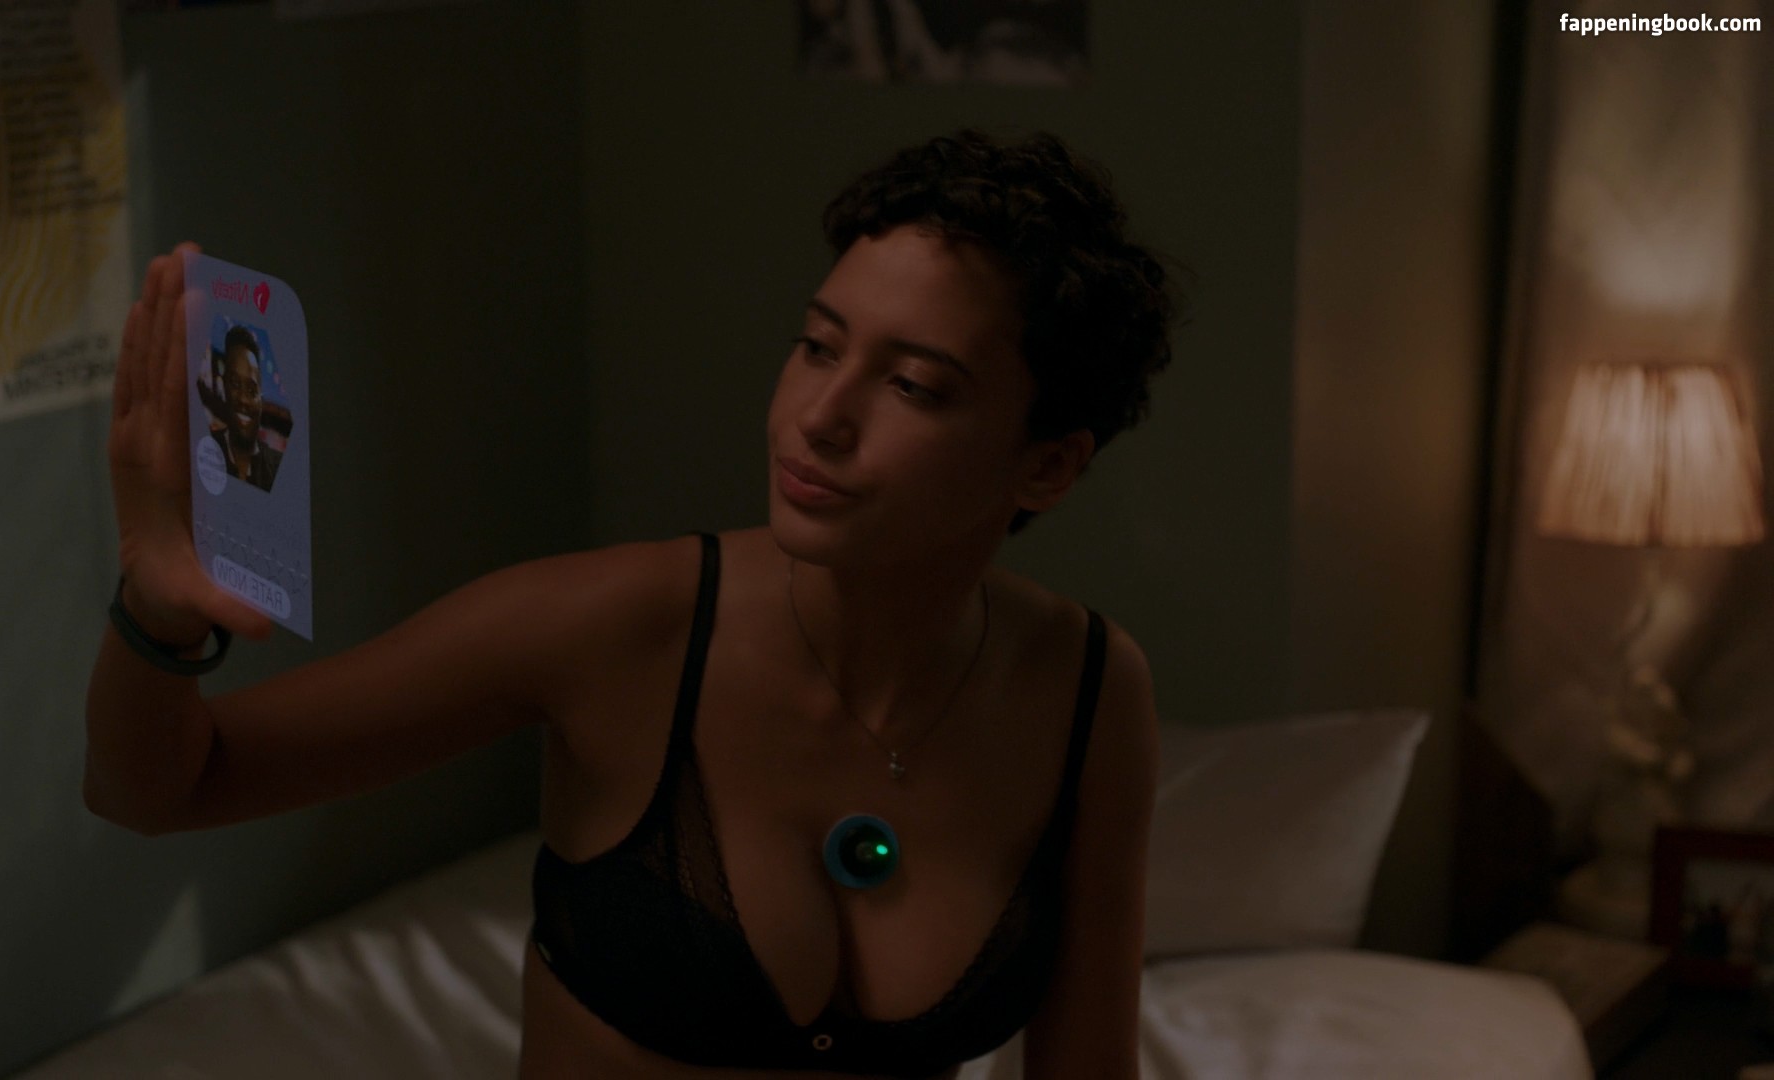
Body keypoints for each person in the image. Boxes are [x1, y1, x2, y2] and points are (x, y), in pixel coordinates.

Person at [86, 128, 1177, 1079]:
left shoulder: (1085, 687)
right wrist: (159, 610)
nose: (820, 416)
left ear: (1048, 465)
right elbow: (164, 786)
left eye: (913, 386)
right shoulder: (615, 628)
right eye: (817, 346)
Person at [205, 325, 280, 492]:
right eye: (235, 384)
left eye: (252, 391)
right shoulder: (207, 449)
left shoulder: (277, 466)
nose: (243, 399)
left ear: (261, 399)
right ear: (224, 386)